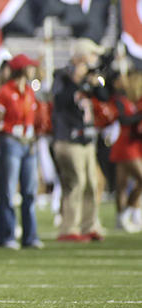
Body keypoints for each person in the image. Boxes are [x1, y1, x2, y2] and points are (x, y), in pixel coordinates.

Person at [51, 38, 108, 242]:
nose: (95, 59)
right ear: (82, 57)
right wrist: (76, 80)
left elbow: (103, 95)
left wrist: (92, 82)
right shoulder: (62, 76)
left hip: (87, 139)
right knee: (75, 183)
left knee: (91, 184)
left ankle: (89, 225)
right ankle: (69, 227)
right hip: (68, 139)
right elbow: (60, 100)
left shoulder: (90, 77)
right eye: (92, 55)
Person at [0, 54, 43, 249]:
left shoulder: (29, 91)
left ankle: (30, 236)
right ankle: (7, 236)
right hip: (11, 141)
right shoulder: (4, 92)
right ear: (21, 69)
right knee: (8, 191)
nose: (33, 70)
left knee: (29, 191)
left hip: (28, 143)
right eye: (30, 67)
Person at [108, 70, 142, 233]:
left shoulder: (133, 101)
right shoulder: (121, 100)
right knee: (137, 179)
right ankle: (127, 212)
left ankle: (123, 217)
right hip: (125, 145)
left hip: (132, 144)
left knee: (121, 184)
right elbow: (123, 119)